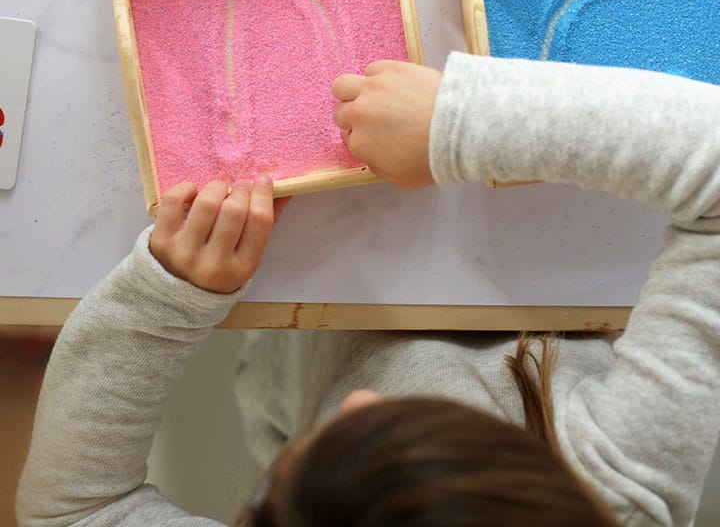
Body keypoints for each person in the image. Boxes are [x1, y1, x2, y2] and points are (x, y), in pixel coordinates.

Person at [16, 53, 720, 527]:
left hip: (314, 302)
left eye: (295, 461)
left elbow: (74, 512)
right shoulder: (620, 486)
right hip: (550, 249)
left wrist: (163, 300)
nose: (353, 400)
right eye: (392, 420)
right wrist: (460, 122)